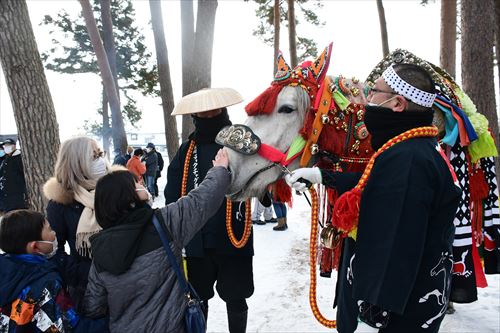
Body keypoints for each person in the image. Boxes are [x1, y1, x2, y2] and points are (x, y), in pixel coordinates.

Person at [286, 64, 462, 332]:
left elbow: (394, 247)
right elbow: (378, 186)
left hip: (395, 316)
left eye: (374, 91)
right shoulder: (409, 149)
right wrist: (322, 176)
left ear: (397, 104)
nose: (367, 98)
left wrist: (371, 316)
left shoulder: (409, 161)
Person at [82, 150, 230, 332]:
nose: (141, 182)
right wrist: (220, 170)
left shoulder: (100, 251)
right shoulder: (164, 223)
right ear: (128, 195)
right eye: (136, 182)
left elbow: (93, 306)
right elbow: (201, 201)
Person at [165, 87, 253, 332]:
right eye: (201, 113)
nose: (206, 115)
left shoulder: (239, 142)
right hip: (196, 241)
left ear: (221, 109)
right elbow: (172, 192)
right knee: (197, 298)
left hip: (234, 235)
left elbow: (258, 177)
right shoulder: (186, 149)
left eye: (211, 110)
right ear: (195, 115)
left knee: (236, 296)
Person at [0, 209, 108, 332]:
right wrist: (111, 323)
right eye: (50, 229)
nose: (54, 234)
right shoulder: (43, 285)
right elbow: (69, 328)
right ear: (35, 246)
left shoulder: (9, 272)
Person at [43, 136, 110, 310]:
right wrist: (77, 273)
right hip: (85, 286)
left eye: (100, 154)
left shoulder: (116, 189)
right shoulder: (61, 202)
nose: (100, 161)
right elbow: (54, 250)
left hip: (124, 280)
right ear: (77, 163)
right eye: (94, 157)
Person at [0, 138, 28, 213]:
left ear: (14, 146)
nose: (6, 147)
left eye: (8, 145)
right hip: (6, 196)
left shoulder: (19, 158)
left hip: (17, 196)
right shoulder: (5, 159)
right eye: (5, 146)